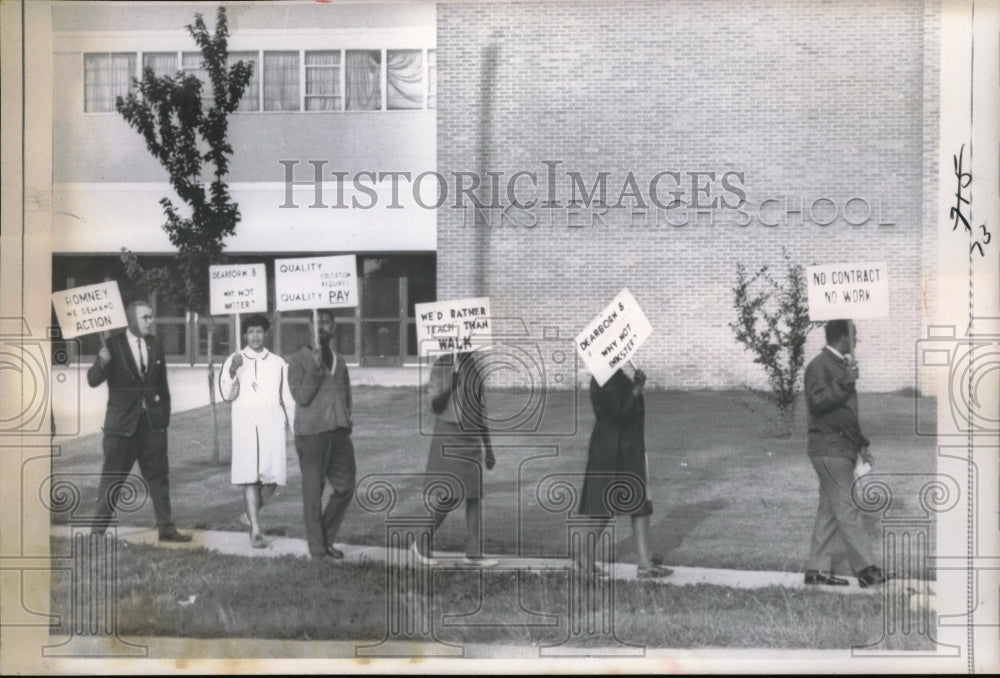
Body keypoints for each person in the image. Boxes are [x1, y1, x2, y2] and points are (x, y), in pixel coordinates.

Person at [87, 300, 191, 542]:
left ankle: (166, 529)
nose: (150, 321)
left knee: (159, 479)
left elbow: (162, 384)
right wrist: (101, 362)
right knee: (112, 480)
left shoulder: (155, 344)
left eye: (151, 316)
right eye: (145, 317)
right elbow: (93, 380)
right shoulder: (112, 345)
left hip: (152, 426)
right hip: (121, 428)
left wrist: (163, 417)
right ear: (131, 320)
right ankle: (96, 533)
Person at [803, 319, 889, 588]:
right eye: (854, 336)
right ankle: (866, 570)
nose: (856, 341)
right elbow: (817, 403)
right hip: (830, 449)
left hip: (839, 447)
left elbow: (844, 414)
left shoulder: (838, 366)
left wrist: (861, 444)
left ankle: (817, 570)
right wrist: (845, 382)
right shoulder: (819, 366)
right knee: (847, 508)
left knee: (829, 510)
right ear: (842, 337)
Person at [576, 366, 671, 578]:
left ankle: (643, 562)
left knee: (639, 503)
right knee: (608, 506)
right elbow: (620, 414)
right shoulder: (606, 378)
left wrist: (634, 385)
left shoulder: (609, 376)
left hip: (621, 446)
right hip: (617, 449)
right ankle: (586, 559)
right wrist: (637, 387)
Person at [411, 351, 498, 567]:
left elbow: (481, 410)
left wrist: (488, 448)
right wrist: (452, 386)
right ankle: (421, 541)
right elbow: (433, 405)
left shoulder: (475, 366)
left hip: (471, 436)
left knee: (474, 495)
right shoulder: (442, 364)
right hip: (449, 433)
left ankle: (473, 552)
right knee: (451, 494)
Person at [219, 315, 293, 549]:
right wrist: (233, 370)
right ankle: (256, 531)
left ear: (266, 334)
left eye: (259, 331)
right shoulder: (235, 359)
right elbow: (226, 395)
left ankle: (249, 515)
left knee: (274, 477)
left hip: (272, 424)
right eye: (250, 331)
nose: (255, 336)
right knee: (249, 476)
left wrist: (294, 426)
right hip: (246, 425)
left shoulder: (278, 362)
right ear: (244, 335)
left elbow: (287, 397)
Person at [286, 310, 355, 560]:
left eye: (326, 322)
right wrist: (315, 368)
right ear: (309, 327)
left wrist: (346, 418)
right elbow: (301, 397)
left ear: (333, 327)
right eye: (316, 322)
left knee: (346, 486)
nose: (321, 327)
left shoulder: (339, 360)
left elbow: (346, 394)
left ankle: (325, 538)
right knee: (313, 492)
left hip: (338, 432)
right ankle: (317, 549)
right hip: (312, 434)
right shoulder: (297, 360)